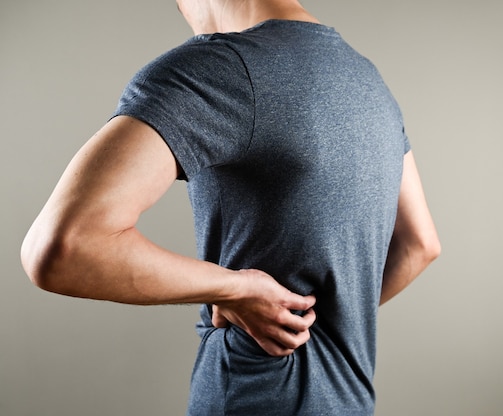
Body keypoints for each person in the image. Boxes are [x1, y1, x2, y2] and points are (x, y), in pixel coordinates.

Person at [21, 0, 441, 414]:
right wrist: (329, 318)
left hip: (256, 395)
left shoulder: (217, 67)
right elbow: (420, 244)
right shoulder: (368, 82)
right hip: (350, 400)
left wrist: (235, 289)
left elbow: (66, 247)